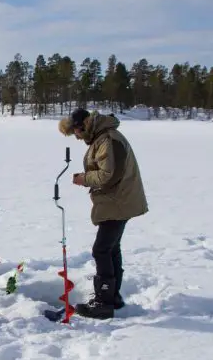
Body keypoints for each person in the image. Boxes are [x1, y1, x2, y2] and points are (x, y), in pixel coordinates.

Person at [58, 108, 148, 319]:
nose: (78, 138)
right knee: (111, 249)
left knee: (101, 250)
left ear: (82, 127)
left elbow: (109, 175)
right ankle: (112, 297)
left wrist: (84, 178)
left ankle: (104, 303)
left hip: (118, 202)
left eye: (77, 133)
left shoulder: (108, 139)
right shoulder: (102, 137)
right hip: (118, 201)